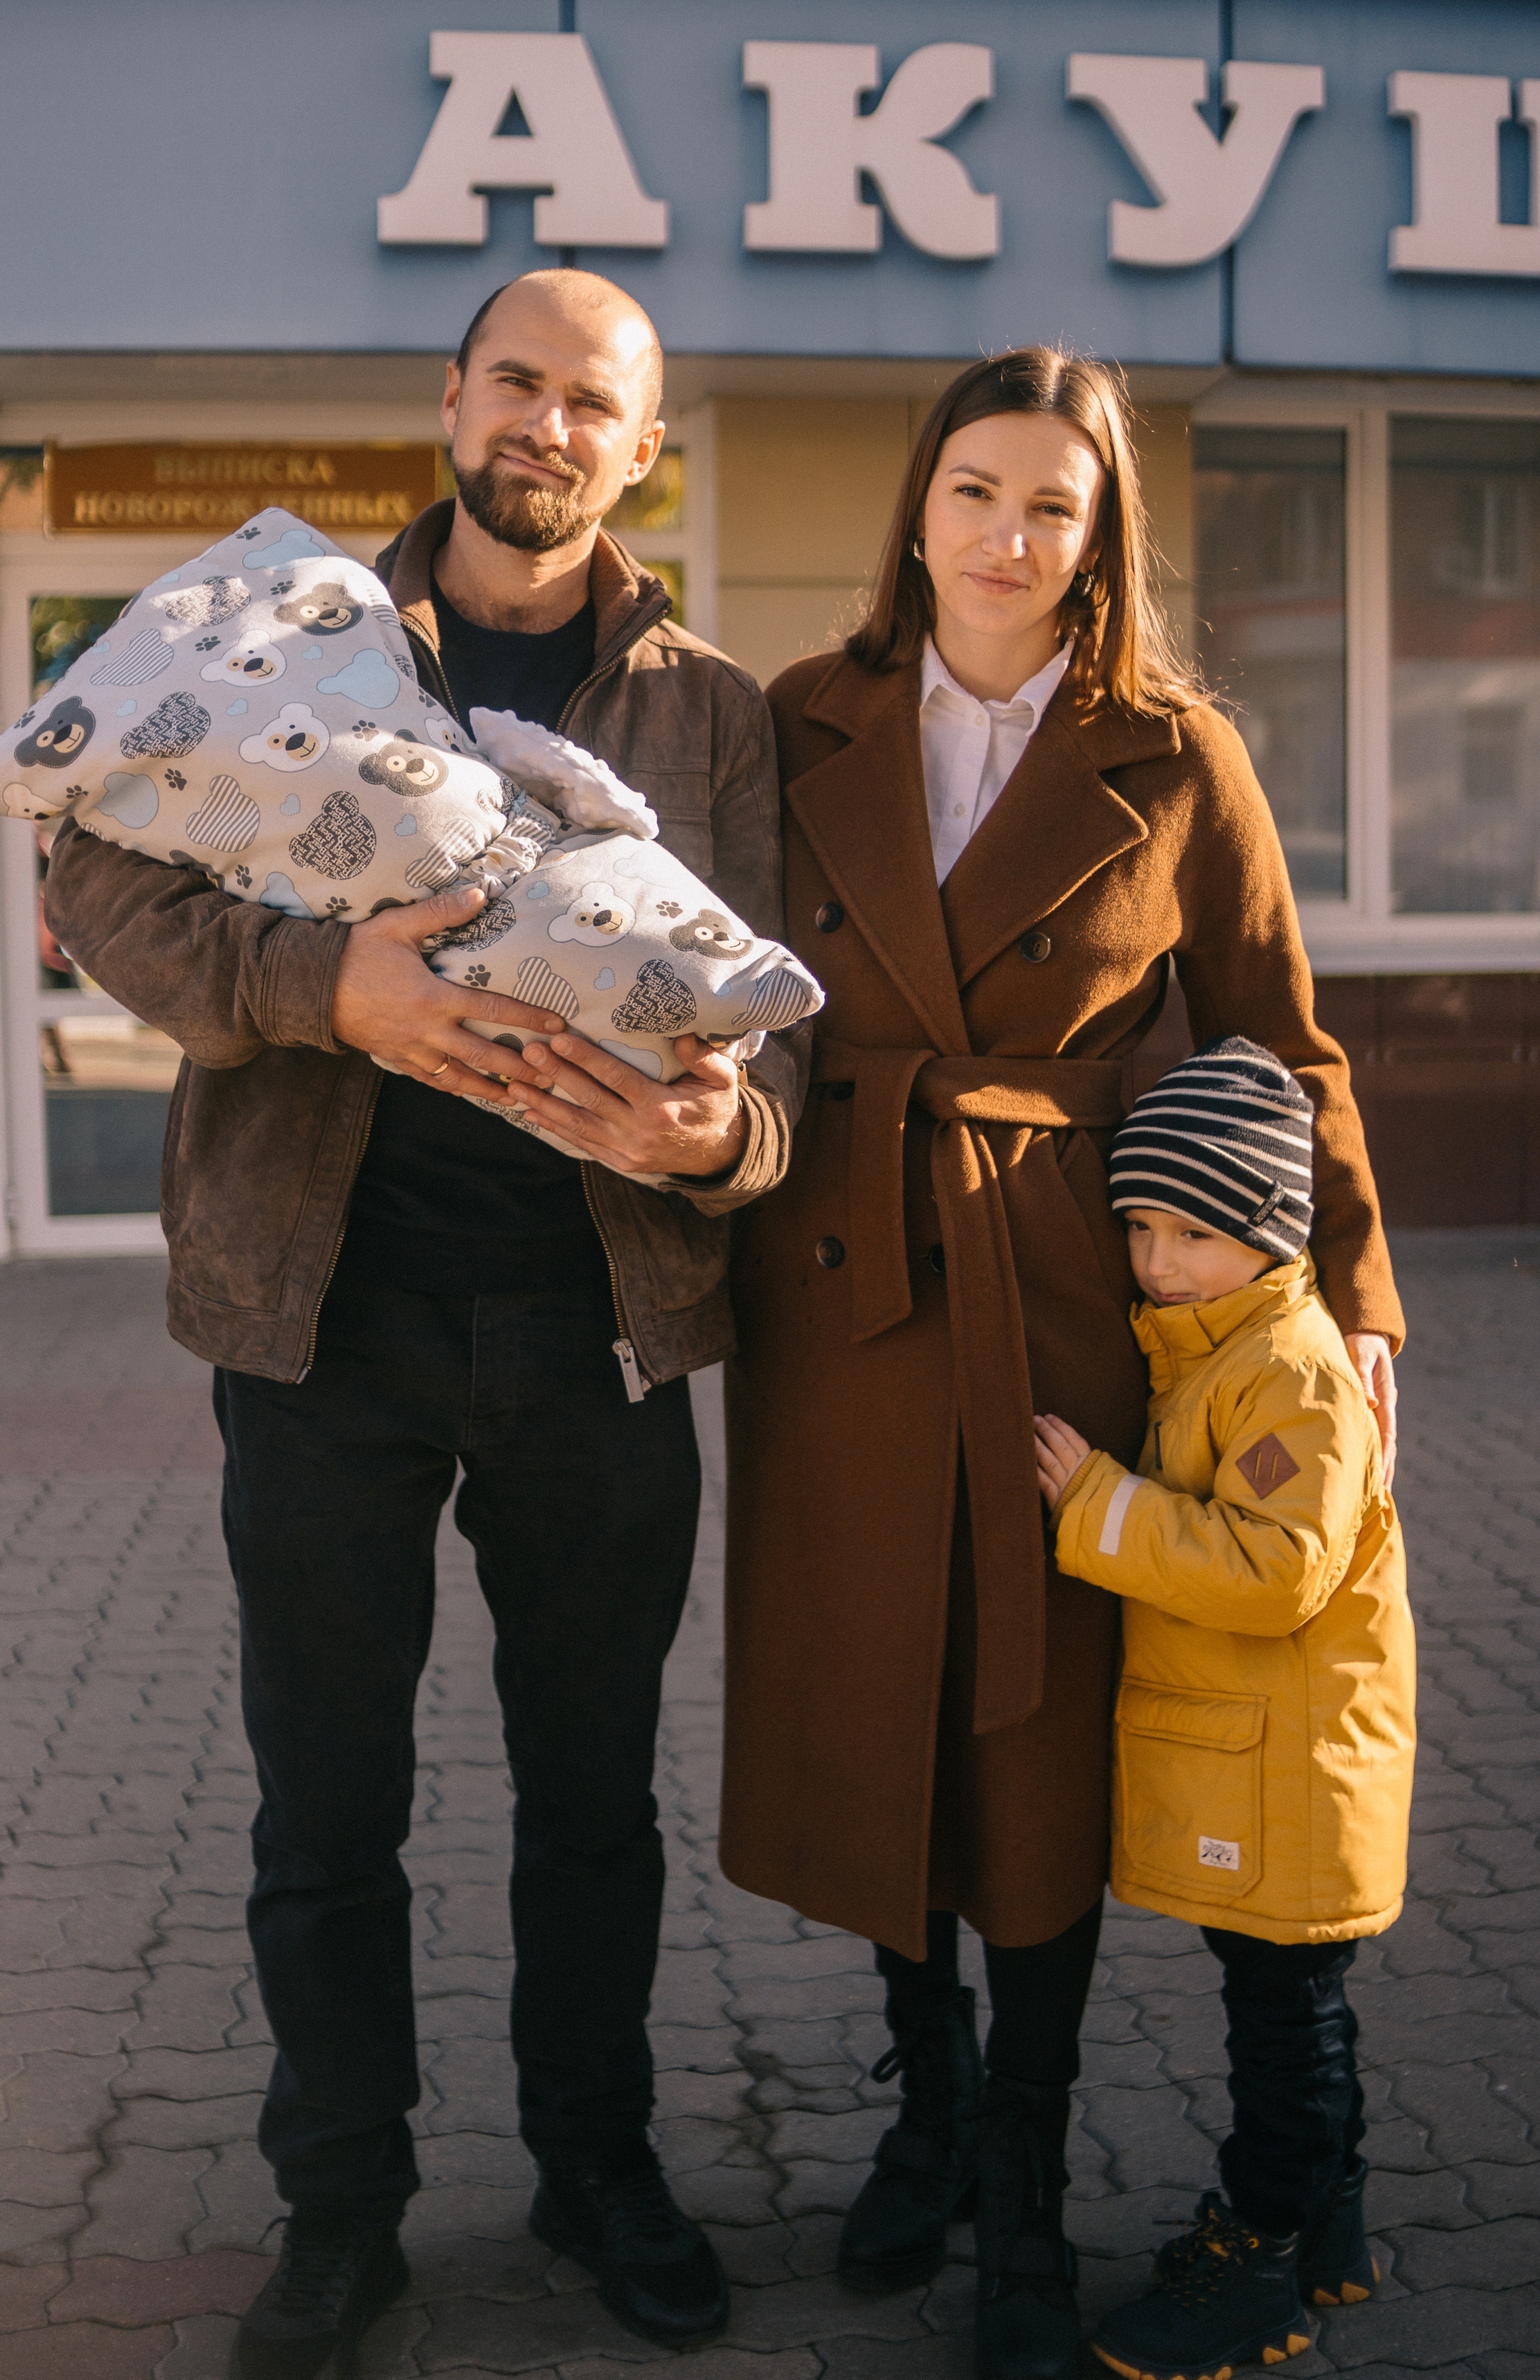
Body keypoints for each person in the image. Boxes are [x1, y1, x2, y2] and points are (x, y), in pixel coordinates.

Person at [44, 270, 801, 2379]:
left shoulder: (712, 714)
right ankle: (340, 2217)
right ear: (452, 399)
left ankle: (595, 2165)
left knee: (593, 1799)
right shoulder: (285, 626)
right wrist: (329, 991)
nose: (547, 425)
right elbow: (102, 882)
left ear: (642, 451)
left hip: (596, 1325)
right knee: (326, 1810)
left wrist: (726, 1139)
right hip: (322, 1322)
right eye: (517, 382)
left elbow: (782, 1035)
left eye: (592, 402)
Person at [719, 346, 1405, 2380]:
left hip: (1064, 1302)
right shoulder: (802, 711)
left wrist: (1357, 1298)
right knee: (881, 1708)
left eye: (1053, 507)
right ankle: (925, 2114)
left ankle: (1022, 2186)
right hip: (841, 1281)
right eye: (976, 491)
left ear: (1100, 541)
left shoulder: (1176, 753)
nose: (1007, 538)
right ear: (917, 507)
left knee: (1028, 1739)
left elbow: (1280, 1043)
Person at [1033, 1037, 1415, 2380]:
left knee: (1282, 2032)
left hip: (1290, 1770)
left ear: (1269, 1229)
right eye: (1140, 1225)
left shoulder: (1287, 1375)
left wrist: (1100, 1506)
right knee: (1296, 2011)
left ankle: (1257, 2260)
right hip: (1271, 1758)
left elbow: (1275, 1573)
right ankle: (1330, 2231)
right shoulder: (1218, 1346)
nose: (1156, 1260)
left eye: (1193, 1232)